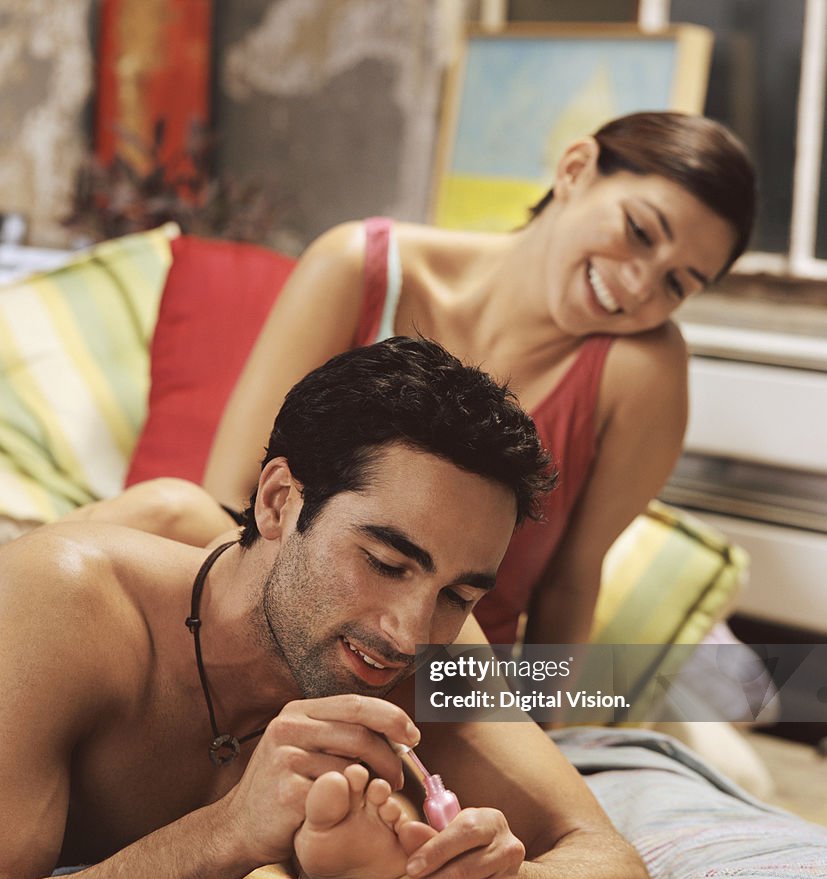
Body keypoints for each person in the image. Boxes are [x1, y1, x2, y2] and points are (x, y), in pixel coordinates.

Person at [0, 338, 652, 879]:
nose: (409, 634)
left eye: (458, 596)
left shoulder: (435, 655)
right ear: (279, 499)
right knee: (171, 509)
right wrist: (225, 834)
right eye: (385, 563)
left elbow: (605, 857)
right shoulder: (68, 599)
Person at [75, 110, 756, 649]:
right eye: (638, 231)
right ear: (576, 168)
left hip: (439, 677)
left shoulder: (640, 370)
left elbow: (569, 587)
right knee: (167, 510)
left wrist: (546, 749)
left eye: (676, 283)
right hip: (282, 618)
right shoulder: (359, 266)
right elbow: (232, 501)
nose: (637, 284)